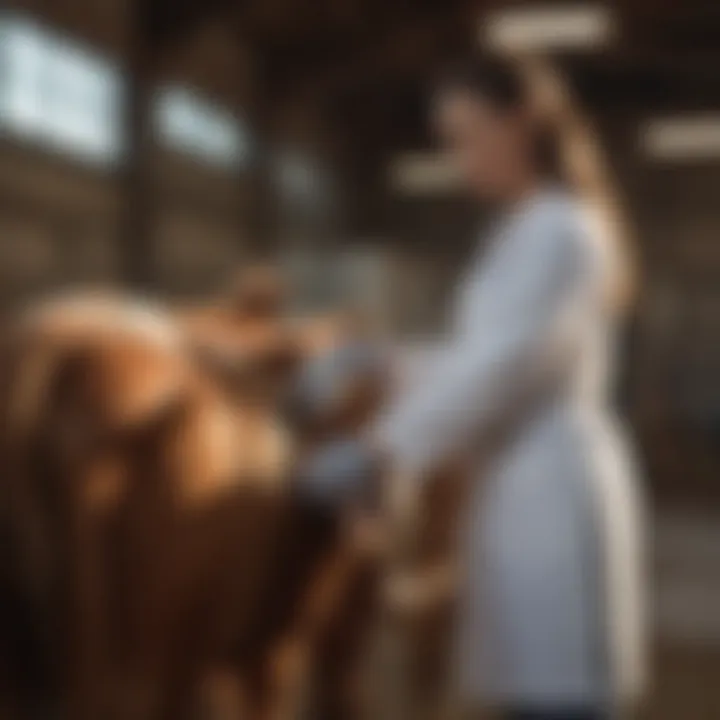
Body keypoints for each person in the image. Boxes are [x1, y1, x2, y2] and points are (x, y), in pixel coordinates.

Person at [299, 52, 648, 720]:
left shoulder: (564, 230)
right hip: (516, 488)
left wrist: (381, 452)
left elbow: (501, 369)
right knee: (528, 693)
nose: (460, 160)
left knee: (559, 700)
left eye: (467, 136)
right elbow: (478, 358)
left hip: (552, 492)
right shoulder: (516, 232)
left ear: (520, 124)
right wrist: (382, 361)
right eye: (448, 142)